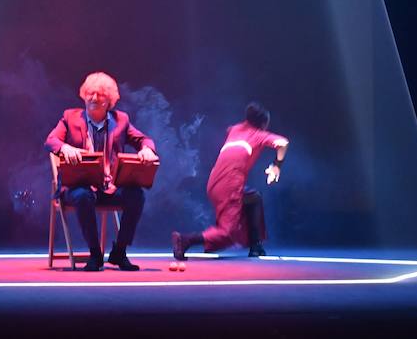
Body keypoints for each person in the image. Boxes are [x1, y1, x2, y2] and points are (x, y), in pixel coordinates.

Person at [45, 71, 159, 271]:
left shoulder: (121, 120)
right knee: (82, 196)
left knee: (136, 195)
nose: (93, 98)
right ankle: (95, 254)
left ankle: (119, 252)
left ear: (110, 101)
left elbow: (143, 139)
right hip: (80, 187)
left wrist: (147, 150)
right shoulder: (69, 117)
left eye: (100, 95)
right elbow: (51, 141)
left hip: (109, 187)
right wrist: (65, 148)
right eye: (90, 93)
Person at [172, 102, 288, 260]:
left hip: (214, 182)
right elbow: (282, 143)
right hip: (230, 184)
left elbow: (231, 129)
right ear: (263, 124)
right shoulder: (258, 134)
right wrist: (276, 166)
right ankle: (185, 240)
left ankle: (255, 245)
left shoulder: (235, 130)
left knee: (254, 198)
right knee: (228, 233)